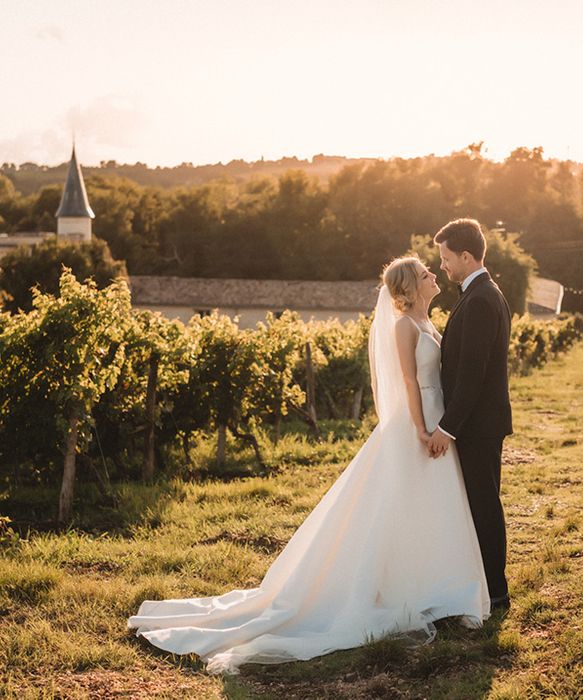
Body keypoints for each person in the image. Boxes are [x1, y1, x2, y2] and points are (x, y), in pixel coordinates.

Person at [127, 256, 490, 674]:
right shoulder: (405, 325)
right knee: (398, 504)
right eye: (426, 272)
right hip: (419, 423)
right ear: (411, 285)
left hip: (438, 417)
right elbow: (409, 381)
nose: (433, 274)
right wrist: (422, 428)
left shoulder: (429, 323)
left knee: (430, 507)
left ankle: (436, 585)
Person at [427, 219, 513, 610]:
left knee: (484, 506)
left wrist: (448, 427)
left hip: (478, 426)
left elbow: (473, 375)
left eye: (446, 258)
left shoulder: (480, 299)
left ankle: (495, 592)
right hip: (479, 424)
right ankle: (485, 586)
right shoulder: (479, 292)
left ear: (466, 256)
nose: (442, 266)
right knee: (480, 503)